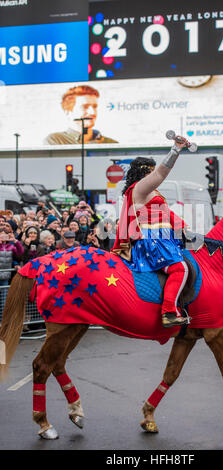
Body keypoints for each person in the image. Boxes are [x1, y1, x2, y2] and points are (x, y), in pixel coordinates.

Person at [112, 137, 190, 328]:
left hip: (163, 237)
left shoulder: (151, 192)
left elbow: (166, 213)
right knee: (180, 269)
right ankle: (169, 312)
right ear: (145, 172)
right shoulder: (140, 188)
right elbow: (162, 173)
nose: (154, 174)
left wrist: (183, 227)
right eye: (151, 171)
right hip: (152, 239)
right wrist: (176, 150)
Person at [44, 85, 118, 145]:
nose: (92, 112)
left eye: (94, 107)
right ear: (68, 112)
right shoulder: (55, 141)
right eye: (85, 107)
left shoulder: (111, 144)